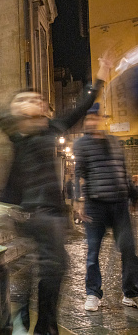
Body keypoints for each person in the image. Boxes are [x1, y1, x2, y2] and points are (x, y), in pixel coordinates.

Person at [0, 52, 112, 334]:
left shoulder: (53, 128)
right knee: (38, 268)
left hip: (52, 215)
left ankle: (40, 325)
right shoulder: (15, 132)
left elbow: (81, 107)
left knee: (52, 269)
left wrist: (99, 78)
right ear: (16, 109)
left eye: (37, 99)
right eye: (24, 99)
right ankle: (25, 323)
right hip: (30, 214)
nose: (33, 102)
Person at [73, 104, 138, 312]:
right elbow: (77, 173)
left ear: (102, 119)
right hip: (95, 205)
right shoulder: (82, 144)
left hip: (119, 204)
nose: (92, 121)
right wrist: (79, 200)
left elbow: (123, 172)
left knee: (128, 249)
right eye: (88, 119)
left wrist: (134, 196)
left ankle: (130, 293)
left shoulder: (114, 141)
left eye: (96, 118)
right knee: (93, 252)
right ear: (86, 122)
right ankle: (92, 293)